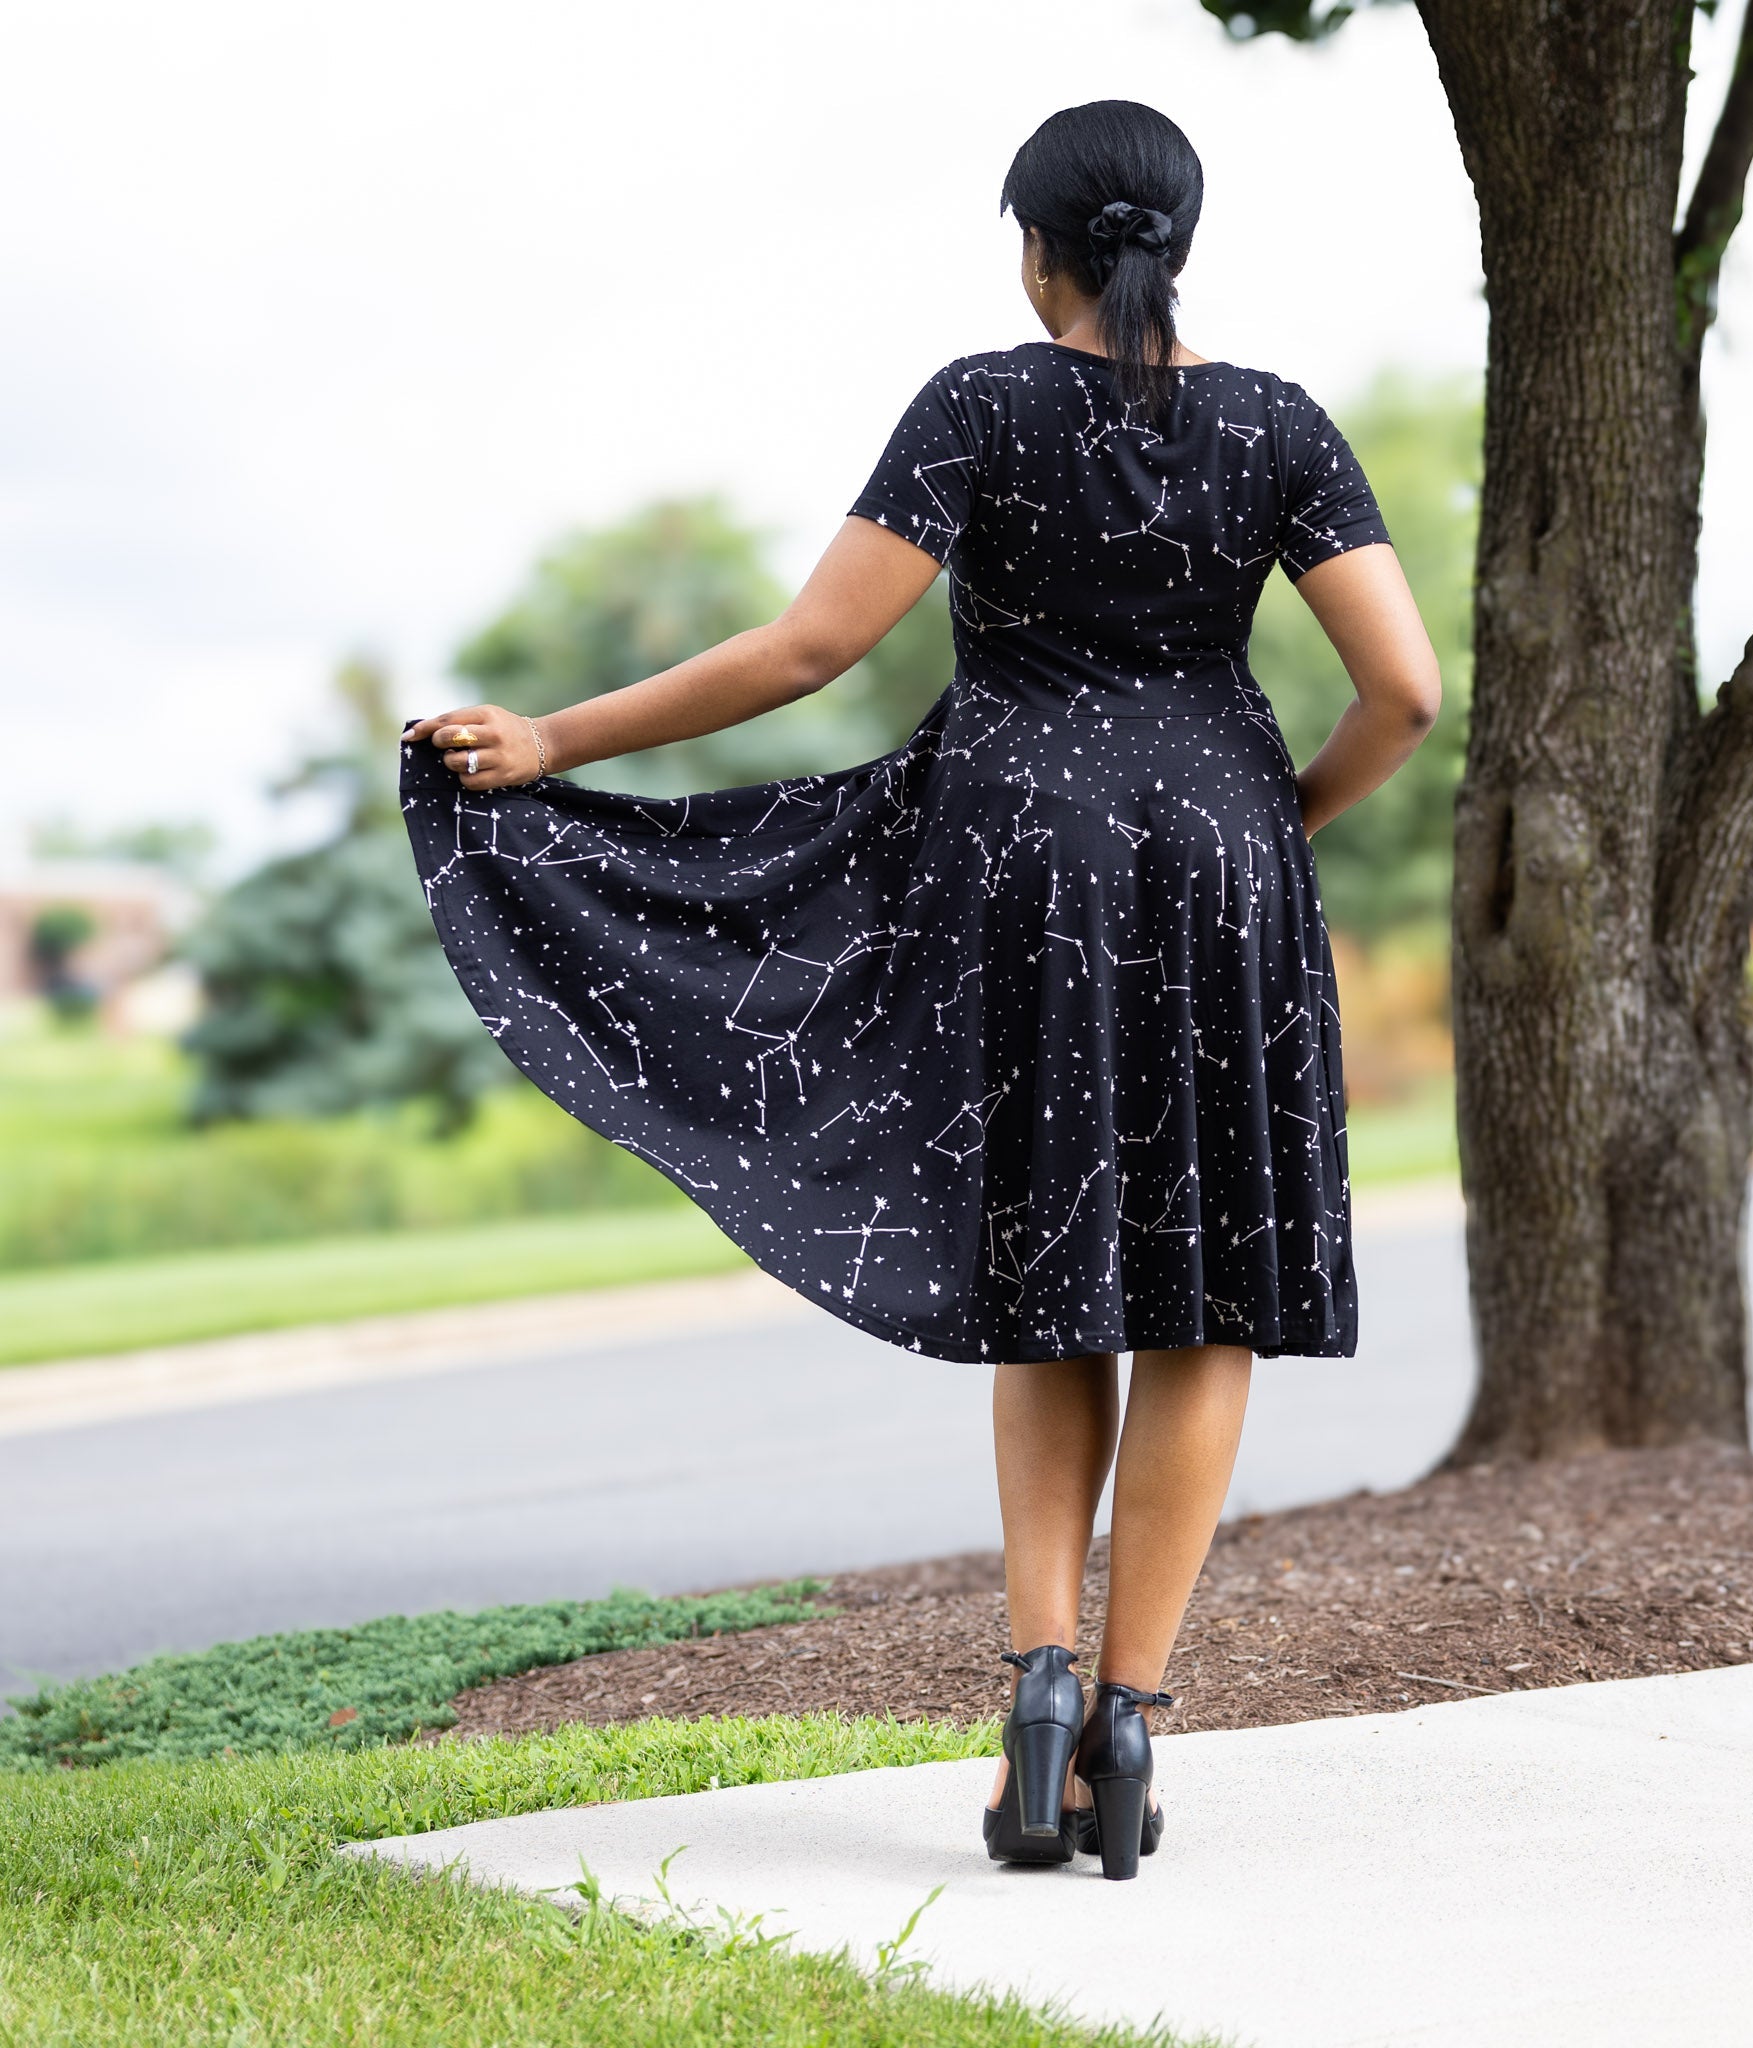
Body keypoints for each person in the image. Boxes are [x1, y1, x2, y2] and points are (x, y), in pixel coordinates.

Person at [398, 98, 1440, 1882]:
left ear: (1032, 247)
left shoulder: (980, 402)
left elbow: (811, 648)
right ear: (1177, 245)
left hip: (1020, 854)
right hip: (1220, 859)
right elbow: (1405, 691)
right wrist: (1275, 826)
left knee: (1054, 1263)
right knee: (1205, 1299)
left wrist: (558, 735)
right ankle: (1132, 1720)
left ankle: (1035, 1685)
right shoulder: (1276, 424)